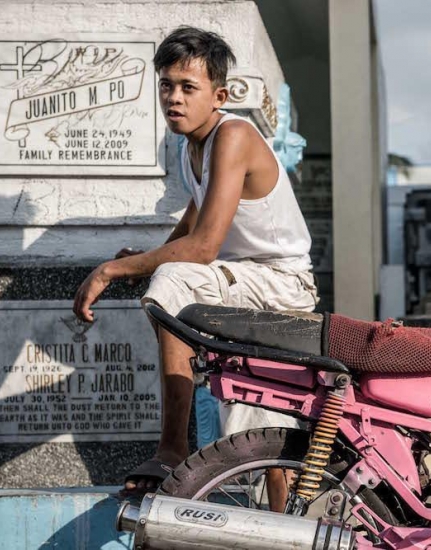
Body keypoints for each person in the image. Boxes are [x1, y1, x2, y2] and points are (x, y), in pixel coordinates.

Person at [72, 26, 317, 501]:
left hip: (281, 282)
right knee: (256, 426)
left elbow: (203, 248)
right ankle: (283, 525)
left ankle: (171, 449)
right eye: (166, 85)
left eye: (188, 87)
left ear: (219, 95)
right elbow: (193, 221)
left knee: (173, 281)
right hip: (242, 283)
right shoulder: (192, 149)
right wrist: (143, 261)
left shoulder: (234, 136)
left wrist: (112, 270)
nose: (174, 98)